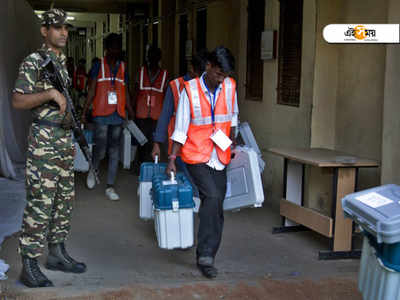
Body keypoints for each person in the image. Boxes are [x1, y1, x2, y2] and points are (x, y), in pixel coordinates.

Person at [12, 8, 86, 288]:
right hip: (44, 140)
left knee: (63, 200)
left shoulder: (61, 62)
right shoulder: (34, 61)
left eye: (65, 27)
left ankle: (56, 253)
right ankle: (29, 264)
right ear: (45, 31)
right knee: (41, 201)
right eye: (57, 28)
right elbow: (18, 101)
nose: (63, 32)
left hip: (62, 140)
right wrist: (50, 94)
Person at [167, 46, 238, 279]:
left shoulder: (229, 87)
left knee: (217, 206)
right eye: (219, 74)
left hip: (221, 153)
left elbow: (233, 118)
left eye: (225, 75)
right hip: (196, 154)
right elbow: (180, 127)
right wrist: (172, 159)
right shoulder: (191, 91)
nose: (222, 79)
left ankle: (210, 252)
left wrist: (235, 143)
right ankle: (205, 255)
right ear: (208, 66)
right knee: (212, 197)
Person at [82, 33, 134, 201]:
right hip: (101, 114)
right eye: (113, 47)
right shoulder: (98, 66)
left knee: (114, 150)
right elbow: (91, 90)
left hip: (117, 114)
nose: (116, 50)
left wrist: (130, 110)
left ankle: (110, 186)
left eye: (118, 47)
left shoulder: (123, 67)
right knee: (101, 147)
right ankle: (93, 168)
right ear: (107, 49)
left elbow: (125, 91)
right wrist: (84, 111)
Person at [151, 50, 208, 199]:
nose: (202, 78)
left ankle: (194, 212)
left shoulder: (208, 84)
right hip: (180, 148)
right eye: (200, 73)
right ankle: (189, 215)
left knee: (199, 185)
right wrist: (157, 143)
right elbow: (164, 116)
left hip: (202, 147)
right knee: (189, 184)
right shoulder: (176, 86)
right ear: (192, 68)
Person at [134, 46, 168, 165]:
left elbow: (166, 97)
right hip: (142, 115)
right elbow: (135, 92)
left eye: (154, 58)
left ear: (159, 59)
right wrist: (133, 112)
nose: (152, 60)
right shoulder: (141, 72)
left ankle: (150, 167)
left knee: (154, 143)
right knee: (141, 142)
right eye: (150, 57)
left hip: (157, 117)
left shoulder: (165, 75)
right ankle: (141, 165)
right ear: (147, 58)